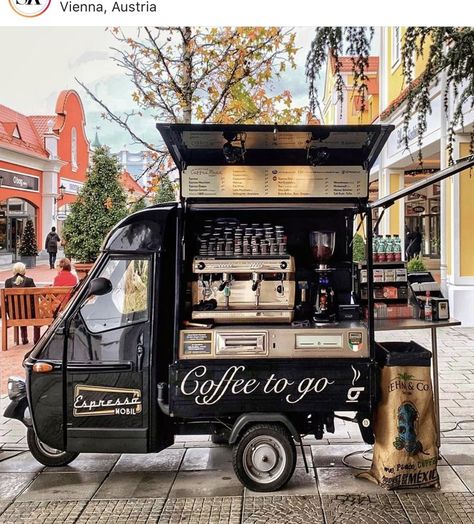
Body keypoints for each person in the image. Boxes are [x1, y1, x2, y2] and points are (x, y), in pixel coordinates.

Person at [4, 262, 41, 345]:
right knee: (31, 310)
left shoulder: (8, 282)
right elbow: (34, 297)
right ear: (24, 271)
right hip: (29, 314)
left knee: (20, 309)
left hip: (13, 314)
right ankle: (36, 339)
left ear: (14, 271)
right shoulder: (29, 281)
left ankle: (24, 338)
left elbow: (6, 299)